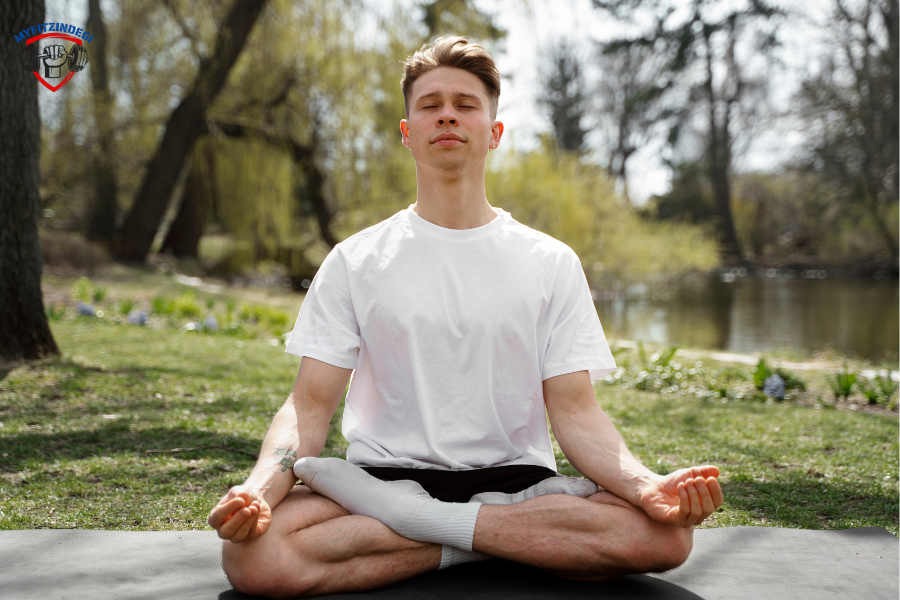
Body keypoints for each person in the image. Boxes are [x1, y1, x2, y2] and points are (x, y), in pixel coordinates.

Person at [207, 36, 724, 599]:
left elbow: (577, 414)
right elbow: (308, 406)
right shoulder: (354, 259)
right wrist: (259, 489)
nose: (447, 113)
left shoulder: (551, 261)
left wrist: (649, 487)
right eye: (429, 104)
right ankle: (498, 540)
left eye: (466, 104)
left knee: (665, 539)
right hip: (383, 477)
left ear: (494, 133)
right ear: (408, 133)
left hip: (517, 482)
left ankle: (423, 528)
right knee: (256, 559)